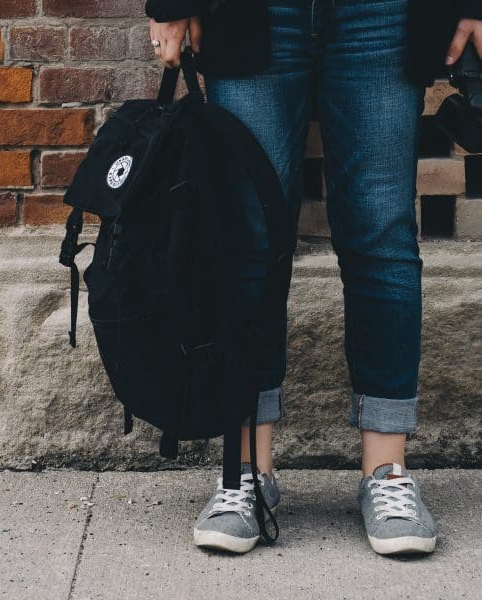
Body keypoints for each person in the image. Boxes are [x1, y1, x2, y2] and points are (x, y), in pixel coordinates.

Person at [145, 0, 482, 556]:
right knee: (249, 238)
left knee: (382, 233)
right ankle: (248, 473)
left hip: (384, 11)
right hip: (251, 12)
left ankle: (388, 472)